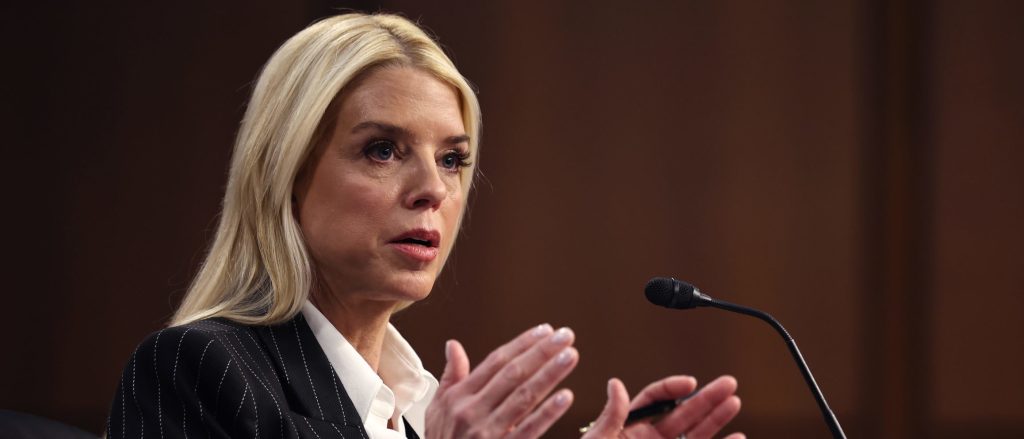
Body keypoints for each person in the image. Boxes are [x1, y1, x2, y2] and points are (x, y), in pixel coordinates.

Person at [106, 12, 743, 439]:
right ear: (287, 171)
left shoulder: (419, 407)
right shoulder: (197, 371)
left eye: (452, 159)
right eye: (383, 150)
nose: (433, 189)